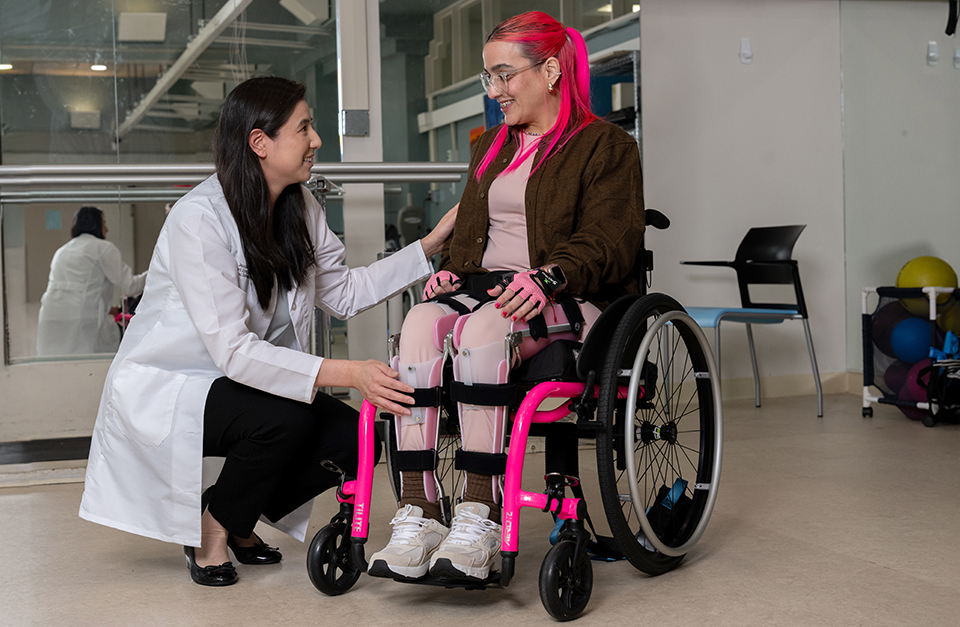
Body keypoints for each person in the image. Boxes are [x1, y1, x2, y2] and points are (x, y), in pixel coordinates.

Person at [78, 76, 457, 587]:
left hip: (243, 382)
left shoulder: (301, 207)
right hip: (177, 384)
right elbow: (233, 352)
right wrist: (347, 371)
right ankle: (211, 531)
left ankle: (235, 513)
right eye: (304, 128)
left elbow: (342, 293)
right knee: (285, 417)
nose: (316, 140)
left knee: (353, 438)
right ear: (260, 142)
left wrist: (429, 245)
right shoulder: (199, 219)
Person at [367, 11, 645, 583]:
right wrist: (451, 273)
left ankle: (480, 513)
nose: (494, 92)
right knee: (420, 322)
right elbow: (475, 235)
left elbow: (610, 241)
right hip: (491, 294)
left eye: (503, 76)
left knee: (484, 330)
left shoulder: (604, 146)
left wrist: (548, 275)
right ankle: (418, 511)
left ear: (549, 71)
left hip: (570, 295)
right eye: (487, 79)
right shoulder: (492, 146)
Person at [36, 207, 146, 356]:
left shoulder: (62, 251)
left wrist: (109, 309)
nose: (106, 229)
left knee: (54, 366)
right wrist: (156, 271)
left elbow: (73, 291)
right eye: (104, 223)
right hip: (80, 322)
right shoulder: (103, 248)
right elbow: (131, 286)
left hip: (51, 319)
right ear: (96, 225)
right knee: (87, 364)